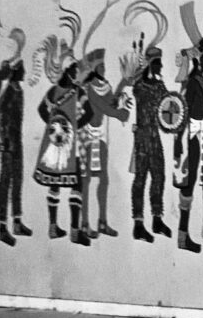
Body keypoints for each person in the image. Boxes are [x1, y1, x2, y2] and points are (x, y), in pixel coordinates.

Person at [34, 58, 92, 245]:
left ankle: (53, 228)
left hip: (55, 144)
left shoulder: (53, 91)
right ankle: (74, 232)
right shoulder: (77, 92)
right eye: (74, 70)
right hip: (69, 146)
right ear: (68, 71)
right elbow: (89, 113)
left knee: (54, 182)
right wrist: (72, 127)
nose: (77, 73)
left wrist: (54, 125)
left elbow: (42, 110)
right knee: (77, 185)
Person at [78, 48, 130, 239]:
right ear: (94, 69)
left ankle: (102, 222)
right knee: (86, 180)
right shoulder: (89, 88)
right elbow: (104, 107)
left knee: (104, 179)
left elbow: (112, 102)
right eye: (101, 66)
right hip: (88, 136)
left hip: (100, 136)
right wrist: (120, 114)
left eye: (104, 66)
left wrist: (123, 83)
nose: (104, 69)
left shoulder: (104, 85)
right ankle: (84, 223)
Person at [130, 46, 171, 243]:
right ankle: (138, 224)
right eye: (158, 63)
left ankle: (157, 219)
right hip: (142, 138)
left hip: (154, 137)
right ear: (151, 64)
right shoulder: (140, 86)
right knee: (140, 179)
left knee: (159, 177)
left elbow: (169, 106)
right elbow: (144, 94)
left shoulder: (159, 86)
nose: (161, 67)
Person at [0, 57, 30, 246]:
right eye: (22, 69)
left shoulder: (18, 90)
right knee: (5, 182)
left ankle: (16, 221)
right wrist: (4, 140)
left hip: (17, 141)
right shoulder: (8, 90)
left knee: (17, 180)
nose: (25, 72)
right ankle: (2, 226)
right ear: (16, 71)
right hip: (8, 142)